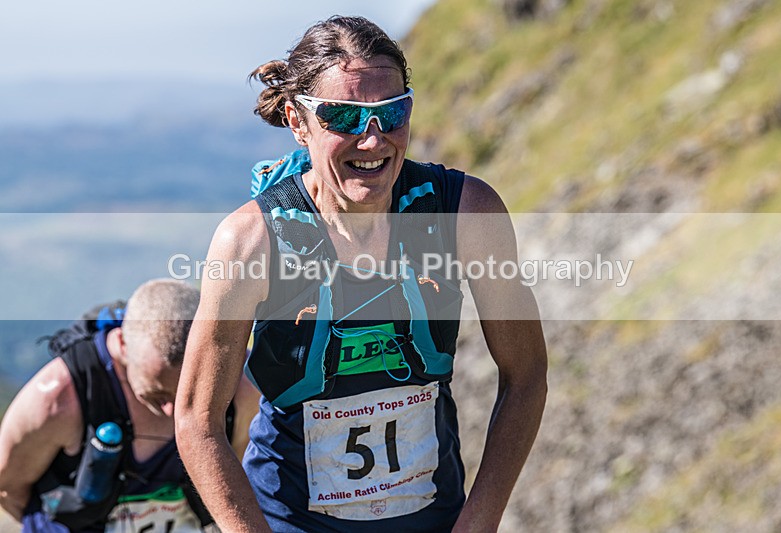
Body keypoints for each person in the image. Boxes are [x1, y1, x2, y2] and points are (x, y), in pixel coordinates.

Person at [175, 15, 548, 533]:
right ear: (297, 122)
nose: (372, 141)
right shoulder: (250, 240)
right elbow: (197, 418)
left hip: (433, 519)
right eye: (344, 118)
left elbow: (526, 375)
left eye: (391, 113)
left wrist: (478, 521)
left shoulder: (466, 214)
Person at [0, 279, 260, 532]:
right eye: (158, 392)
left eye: (186, 391)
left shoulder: (239, 385)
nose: (174, 411)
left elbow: (240, 474)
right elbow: (7, 487)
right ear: (122, 345)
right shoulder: (59, 396)